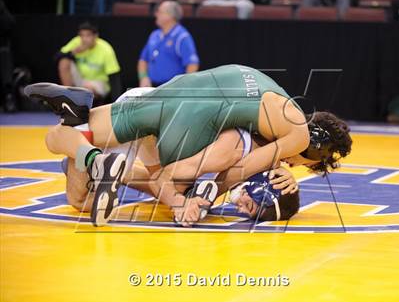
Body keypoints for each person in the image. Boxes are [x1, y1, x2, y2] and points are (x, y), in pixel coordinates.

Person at [24, 64, 353, 226]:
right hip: (192, 121)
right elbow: (235, 170)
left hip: (170, 92)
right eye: (301, 163)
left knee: (60, 138)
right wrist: (194, 199)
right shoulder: (298, 135)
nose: (290, 164)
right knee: (174, 184)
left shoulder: (278, 100)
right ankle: (105, 165)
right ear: (315, 149)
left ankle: (90, 150)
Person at [48, 87, 300, 226]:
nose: (241, 208)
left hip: (162, 113)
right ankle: (84, 143)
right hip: (151, 117)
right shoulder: (230, 153)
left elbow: (276, 163)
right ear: (261, 186)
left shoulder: (262, 157)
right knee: (78, 198)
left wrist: (288, 178)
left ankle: (93, 161)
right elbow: (164, 179)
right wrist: (180, 204)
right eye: (250, 204)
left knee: (180, 188)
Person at [56, 22, 122, 105]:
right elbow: (57, 57)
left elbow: (114, 77)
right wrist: (73, 52)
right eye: (82, 35)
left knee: (86, 90)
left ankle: (85, 104)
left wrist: (117, 103)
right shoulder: (77, 42)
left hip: (99, 82)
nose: (84, 39)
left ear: (95, 36)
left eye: (88, 35)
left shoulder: (106, 49)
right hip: (80, 80)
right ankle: (69, 98)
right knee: (64, 62)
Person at [138, 0, 199, 87]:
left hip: (171, 89)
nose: (156, 14)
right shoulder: (154, 35)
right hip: (152, 88)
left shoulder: (182, 37)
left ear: (170, 16)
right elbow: (143, 60)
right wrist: (143, 77)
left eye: (159, 11)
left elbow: (192, 64)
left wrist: (183, 86)